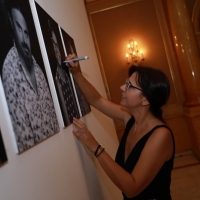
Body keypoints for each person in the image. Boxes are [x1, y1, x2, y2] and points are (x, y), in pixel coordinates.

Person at [65, 54, 175, 200]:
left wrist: (95, 147)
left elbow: (132, 188)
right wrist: (76, 73)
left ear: (145, 100)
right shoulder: (130, 118)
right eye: (126, 83)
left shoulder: (161, 135)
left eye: (129, 86)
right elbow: (96, 100)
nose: (122, 87)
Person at [2, 1, 59, 152]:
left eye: (26, 32)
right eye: (18, 29)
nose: (23, 39)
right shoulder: (9, 71)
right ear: (12, 30)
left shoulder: (38, 71)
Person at [48, 20, 80, 126]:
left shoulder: (67, 75)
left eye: (57, 45)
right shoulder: (55, 79)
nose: (57, 50)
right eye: (53, 45)